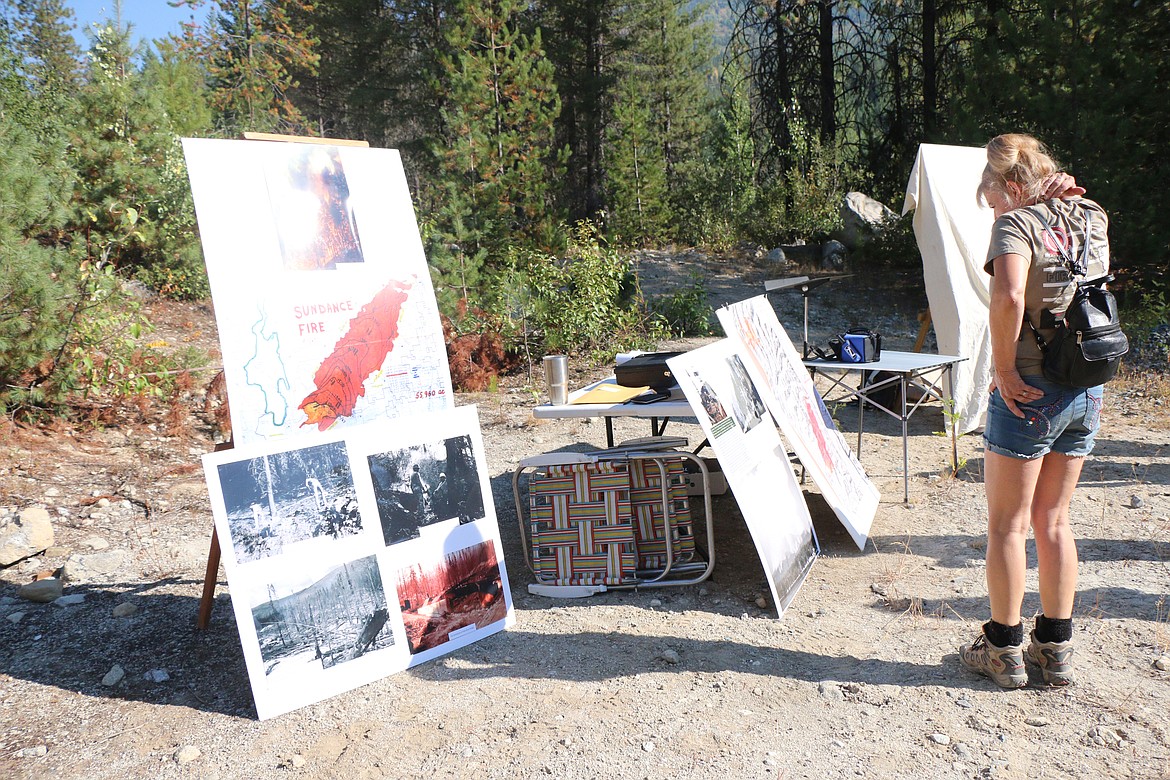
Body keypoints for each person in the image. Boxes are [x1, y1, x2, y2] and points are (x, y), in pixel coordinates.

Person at [960, 133, 1108, 688]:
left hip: (1030, 387)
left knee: (1007, 524)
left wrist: (1002, 370)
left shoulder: (1016, 226)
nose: (991, 206)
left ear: (1013, 185)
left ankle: (1003, 650)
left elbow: (1009, 297)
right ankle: (1056, 647)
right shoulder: (1090, 212)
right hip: (1086, 384)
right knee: (1055, 520)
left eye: (992, 195)